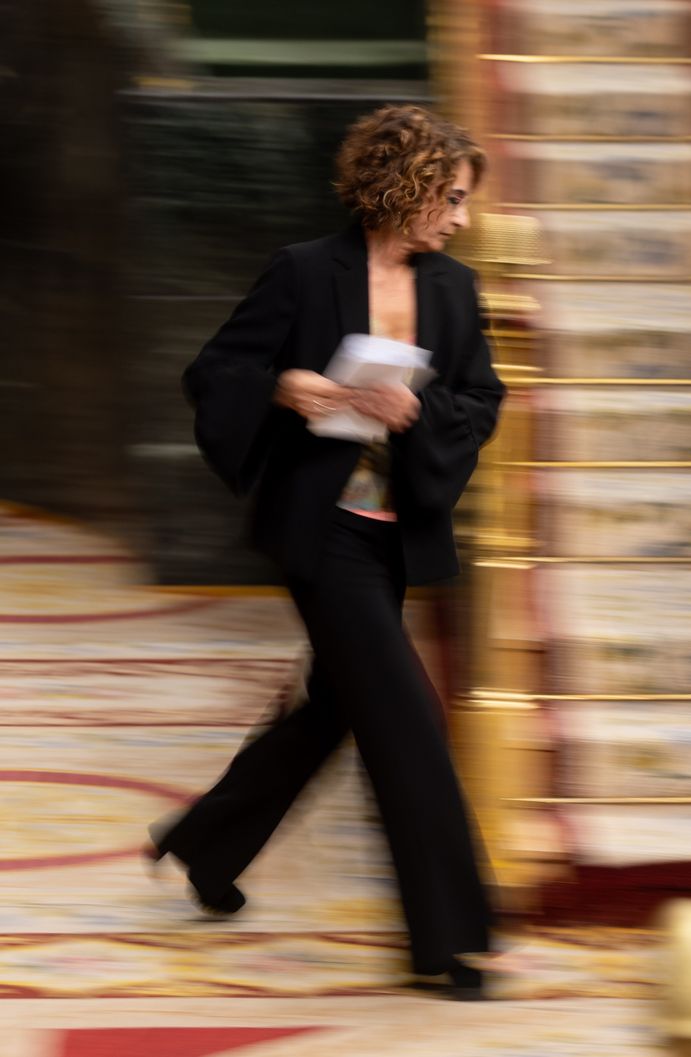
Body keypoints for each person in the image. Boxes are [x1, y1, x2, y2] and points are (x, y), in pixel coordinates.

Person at [146, 104, 506, 1001]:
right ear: (408, 183)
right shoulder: (306, 273)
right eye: (452, 198)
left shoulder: (455, 291)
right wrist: (286, 387)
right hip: (320, 534)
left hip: (395, 534)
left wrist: (421, 414)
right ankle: (450, 942)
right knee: (407, 720)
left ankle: (205, 845)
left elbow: (483, 402)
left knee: (337, 705)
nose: (461, 218)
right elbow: (215, 373)